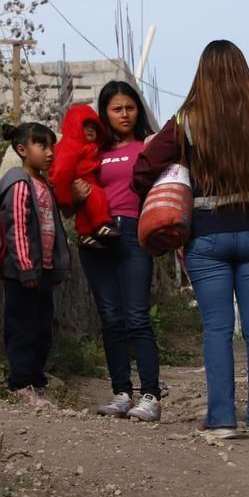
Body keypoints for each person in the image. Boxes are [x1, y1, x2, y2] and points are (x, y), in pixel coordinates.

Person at [133, 40, 249, 440]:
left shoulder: (188, 121)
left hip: (207, 237)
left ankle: (223, 420)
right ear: (243, 72)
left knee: (216, 330)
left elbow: (143, 170)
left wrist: (179, 170)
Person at [78, 81, 164, 422]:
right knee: (111, 320)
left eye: (130, 107)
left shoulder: (149, 146)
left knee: (137, 318)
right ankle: (122, 393)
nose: (124, 114)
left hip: (132, 232)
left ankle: (151, 396)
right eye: (117, 109)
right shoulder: (91, 151)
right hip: (95, 237)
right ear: (105, 114)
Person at [0, 122, 70, 407]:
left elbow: (53, 230)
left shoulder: (44, 185)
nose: (49, 153)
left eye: (51, 147)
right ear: (22, 150)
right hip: (24, 273)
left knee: (41, 329)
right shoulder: (19, 183)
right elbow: (17, 230)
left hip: (42, 272)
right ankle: (20, 384)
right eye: (42, 146)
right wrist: (25, 268)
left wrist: (55, 269)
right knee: (21, 328)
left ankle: (35, 380)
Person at [51, 103, 121, 248]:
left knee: (84, 209)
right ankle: (102, 224)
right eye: (86, 125)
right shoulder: (70, 145)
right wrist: (65, 197)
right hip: (81, 182)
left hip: (81, 185)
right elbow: (61, 172)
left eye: (94, 127)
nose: (91, 129)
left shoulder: (87, 147)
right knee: (97, 195)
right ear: (74, 125)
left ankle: (84, 235)